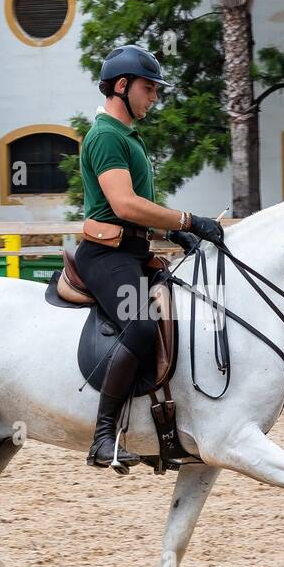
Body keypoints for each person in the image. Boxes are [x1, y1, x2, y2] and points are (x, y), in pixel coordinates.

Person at [76, 44, 224, 471]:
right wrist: (189, 220)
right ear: (121, 86)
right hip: (106, 256)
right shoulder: (106, 136)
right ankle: (103, 438)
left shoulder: (128, 137)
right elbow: (123, 205)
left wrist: (175, 232)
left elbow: (140, 210)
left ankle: (164, 431)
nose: (154, 97)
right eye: (148, 88)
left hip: (135, 252)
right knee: (141, 324)